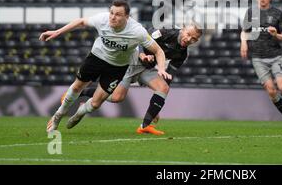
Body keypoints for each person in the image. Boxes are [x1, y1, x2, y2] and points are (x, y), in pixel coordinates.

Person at [42, 0, 171, 132]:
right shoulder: (102, 19)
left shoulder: (137, 31)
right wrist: (57, 32)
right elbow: (81, 21)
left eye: (118, 14)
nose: (113, 17)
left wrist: (161, 68)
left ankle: (81, 112)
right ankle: (58, 115)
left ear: (127, 17)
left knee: (96, 104)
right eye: (111, 13)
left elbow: (158, 51)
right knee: (77, 86)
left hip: (117, 67)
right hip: (96, 58)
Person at [75, 23, 203, 135]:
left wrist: (155, 107)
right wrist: (142, 54)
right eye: (188, 34)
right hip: (132, 61)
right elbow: (142, 38)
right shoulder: (166, 32)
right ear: (183, 29)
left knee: (164, 88)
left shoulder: (182, 54)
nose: (189, 39)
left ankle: (145, 126)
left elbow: (167, 76)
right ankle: (82, 93)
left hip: (146, 68)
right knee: (117, 97)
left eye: (193, 39)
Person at [241, 0, 282, 130]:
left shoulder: (277, 13)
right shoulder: (250, 12)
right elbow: (244, 31)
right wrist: (243, 43)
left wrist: (276, 35)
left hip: (275, 56)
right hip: (257, 58)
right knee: (272, 91)